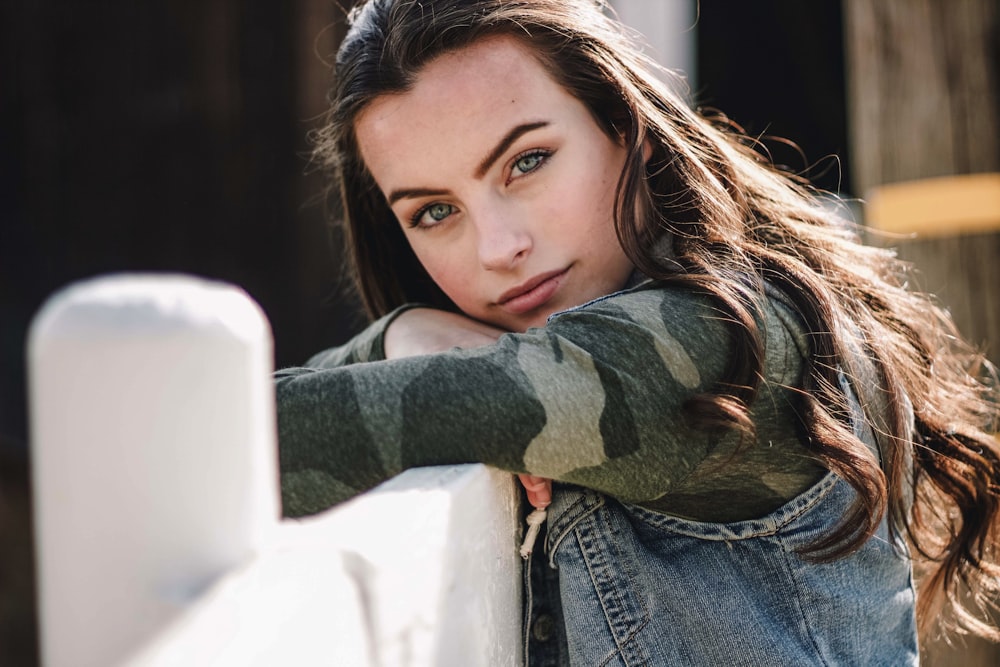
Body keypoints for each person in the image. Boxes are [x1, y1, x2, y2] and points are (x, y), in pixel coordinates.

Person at [274, 0, 1000, 663]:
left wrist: (400, 348)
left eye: (527, 162)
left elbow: (239, 435)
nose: (496, 246)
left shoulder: (719, 341)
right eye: (434, 212)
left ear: (628, 131)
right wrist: (407, 333)